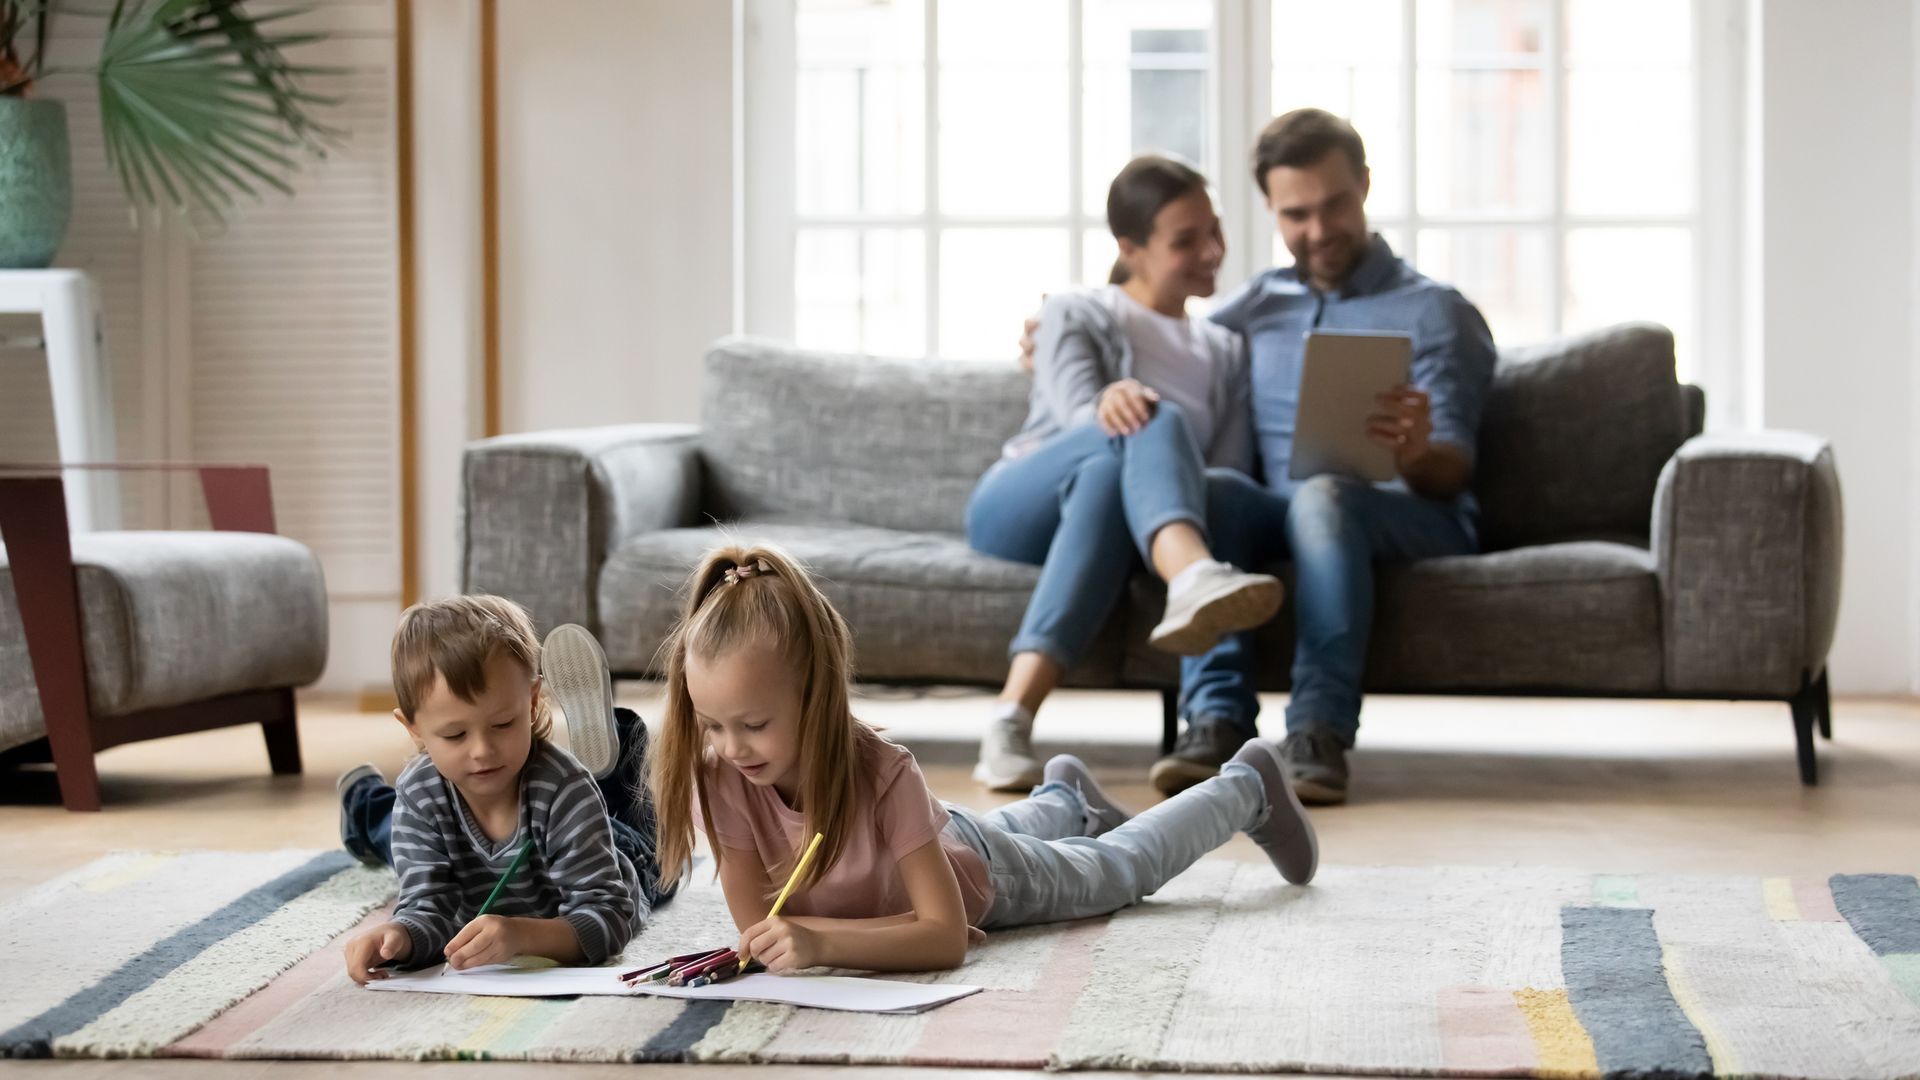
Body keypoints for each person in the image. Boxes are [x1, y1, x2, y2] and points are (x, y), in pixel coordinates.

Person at [1019, 110, 1497, 806]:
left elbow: (1457, 468)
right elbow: (1159, 328)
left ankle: (1317, 732)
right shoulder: (1255, 306)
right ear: (1272, 210)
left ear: (1365, 185)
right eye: (1295, 214)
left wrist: (1419, 452)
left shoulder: (1436, 312)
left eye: (1335, 205)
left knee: (1324, 495)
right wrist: (1052, 340)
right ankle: (1214, 719)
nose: (1318, 230)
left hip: (1411, 513)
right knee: (1205, 489)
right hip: (1284, 512)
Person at [646, 543, 1316, 973]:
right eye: (713, 726)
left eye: (754, 725)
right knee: (980, 832)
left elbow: (943, 936)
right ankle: (1067, 803)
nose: (732, 748)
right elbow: (759, 925)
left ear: (817, 693)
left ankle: (1245, 785)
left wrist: (825, 941)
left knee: (1117, 869)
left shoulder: (885, 772)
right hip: (924, 845)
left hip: (976, 870)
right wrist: (824, 934)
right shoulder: (723, 773)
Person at [966, 154, 1284, 794]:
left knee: (1127, 479)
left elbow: (1218, 475)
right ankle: (1192, 574)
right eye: (1185, 240)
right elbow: (1073, 413)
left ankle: (1010, 719)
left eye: (1214, 232)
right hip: (1023, 500)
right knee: (1142, 420)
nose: (1212, 251)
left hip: (1116, 511)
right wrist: (1113, 402)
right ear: (1131, 248)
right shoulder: (1077, 311)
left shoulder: (1223, 350)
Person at [335, 598, 673, 983]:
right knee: (590, 805)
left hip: (618, 857)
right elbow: (429, 911)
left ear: (531, 702)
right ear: (412, 728)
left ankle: (624, 739)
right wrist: (399, 937)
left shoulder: (564, 788)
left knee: (656, 851)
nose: (482, 751)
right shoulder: (419, 793)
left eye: (502, 724)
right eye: (455, 734)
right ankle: (608, 766)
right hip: (560, 828)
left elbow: (611, 917)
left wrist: (522, 935)